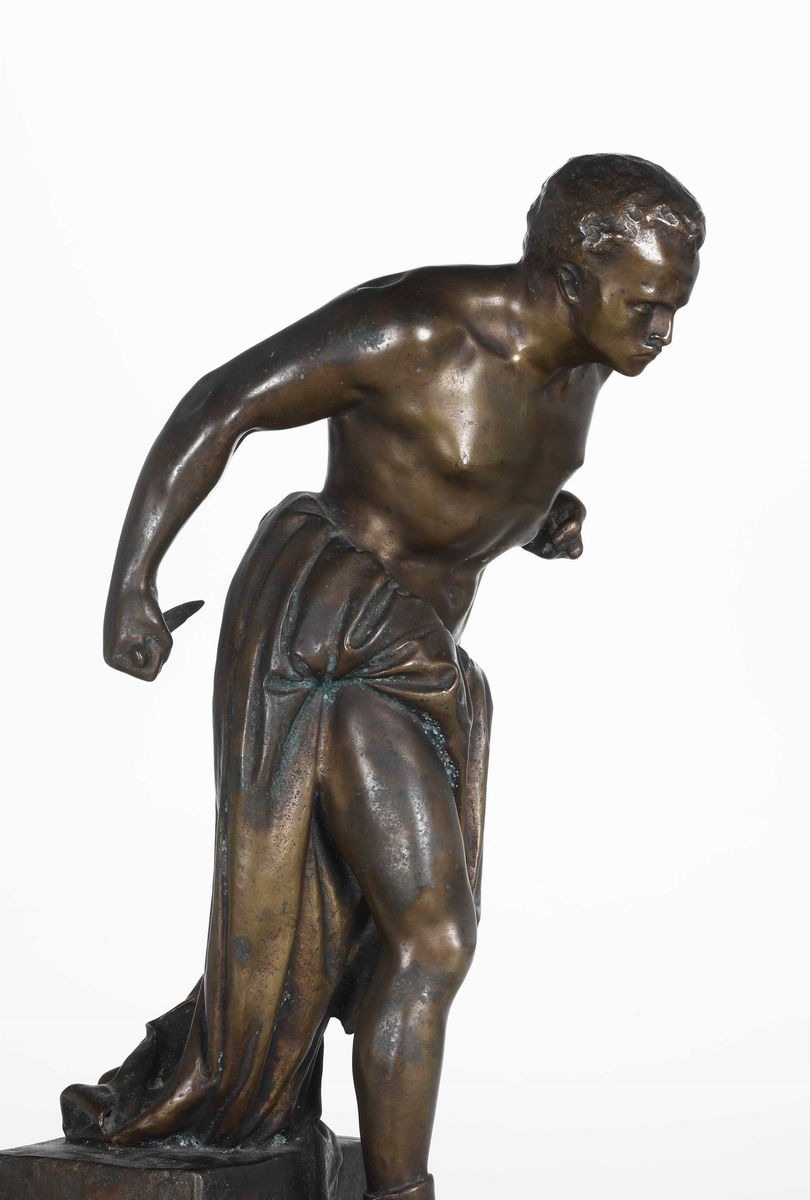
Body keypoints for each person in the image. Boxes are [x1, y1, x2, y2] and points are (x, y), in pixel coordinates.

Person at [61, 153, 704, 1200]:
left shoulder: (589, 361)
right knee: (430, 935)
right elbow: (226, 402)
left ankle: (261, 1108)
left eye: (675, 307)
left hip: (422, 658)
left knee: (336, 940)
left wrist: (541, 519)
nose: (664, 331)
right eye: (647, 305)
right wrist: (133, 581)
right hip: (331, 632)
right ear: (571, 272)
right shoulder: (414, 327)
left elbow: (468, 470)